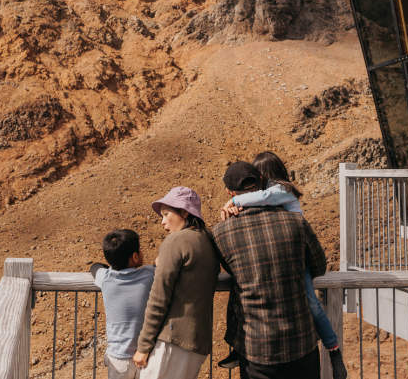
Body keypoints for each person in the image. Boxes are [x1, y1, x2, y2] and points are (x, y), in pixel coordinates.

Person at [219, 151, 347, 378]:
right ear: (261, 184)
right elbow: (318, 266)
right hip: (301, 345)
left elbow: (231, 271)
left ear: (230, 192)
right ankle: (333, 349)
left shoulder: (222, 232)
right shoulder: (295, 221)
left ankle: (234, 346)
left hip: (258, 350)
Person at [132, 187, 220, 379]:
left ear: (184, 212)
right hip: (197, 341)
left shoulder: (176, 241)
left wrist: (144, 346)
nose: (163, 222)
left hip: (172, 340)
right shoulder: (207, 239)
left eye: (166, 214)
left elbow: (158, 298)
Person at [90, 229, 155, 379]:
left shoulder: (105, 278)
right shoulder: (149, 275)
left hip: (117, 357)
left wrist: (110, 267)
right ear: (135, 256)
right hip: (145, 355)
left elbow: (95, 267)